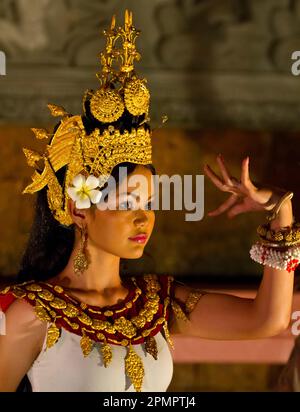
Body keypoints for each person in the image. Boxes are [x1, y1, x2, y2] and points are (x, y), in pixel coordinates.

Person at [0, 10, 298, 393]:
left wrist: (280, 210)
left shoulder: (157, 304)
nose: (143, 218)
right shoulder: (32, 314)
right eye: (127, 202)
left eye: (149, 203)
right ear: (79, 209)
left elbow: (266, 320)